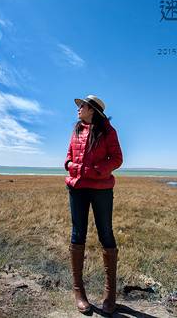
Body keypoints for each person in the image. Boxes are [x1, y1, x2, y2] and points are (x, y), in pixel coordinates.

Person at [64, 94, 123, 315]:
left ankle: (110, 294)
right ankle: (79, 292)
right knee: (77, 233)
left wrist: (96, 170)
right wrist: (71, 165)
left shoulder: (108, 131)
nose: (78, 108)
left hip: (101, 189)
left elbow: (117, 158)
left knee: (106, 233)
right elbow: (68, 157)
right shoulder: (76, 130)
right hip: (77, 187)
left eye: (83, 106)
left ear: (93, 110)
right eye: (79, 105)